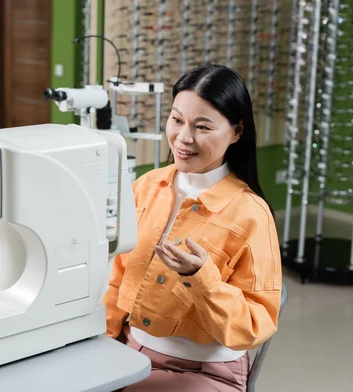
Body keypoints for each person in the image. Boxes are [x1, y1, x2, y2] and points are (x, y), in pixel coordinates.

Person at [105, 65, 282, 392]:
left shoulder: (251, 214)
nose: (183, 138)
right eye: (176, 120)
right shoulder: (146, 187)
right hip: (128, 351)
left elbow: (255, 326)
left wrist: (202, 279)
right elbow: (117, 276)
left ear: (237, 132)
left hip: (205, 372)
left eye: (202, 126)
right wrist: (99, 340)